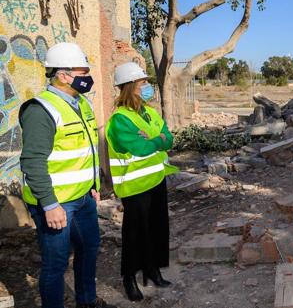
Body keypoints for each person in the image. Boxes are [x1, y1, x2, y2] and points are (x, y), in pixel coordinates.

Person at [19, 42, 115, 308]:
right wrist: (49, 205)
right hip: (56, 203)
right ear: (63, 75)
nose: (88, 77)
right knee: (56, 264)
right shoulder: (41, 110)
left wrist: (94, 185)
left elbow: (87, 150)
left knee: (89, 248)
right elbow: (32, 161)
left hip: (83, 198)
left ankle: (86, 300)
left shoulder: (80, 103)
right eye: (82, 71)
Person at [105, 62, 178, 301]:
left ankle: (152, 270)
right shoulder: (120, 119)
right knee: (135, 234)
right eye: (143, 82)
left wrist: (157, 138)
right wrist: (157, 139)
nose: (148, 86)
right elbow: (141, 147)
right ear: (130, 86)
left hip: (156, 180)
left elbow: (169, 139)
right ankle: (129, 278)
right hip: (134, 186)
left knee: (157, 228)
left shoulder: (149, 112)